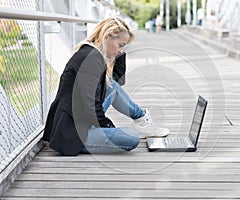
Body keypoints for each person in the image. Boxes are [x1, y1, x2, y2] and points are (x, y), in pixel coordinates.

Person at [43, 16, 169, 156]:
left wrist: (119, 52)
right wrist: (109, 128)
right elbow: (90, 105)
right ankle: (137, 124)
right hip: (72, 133)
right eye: (121, 45)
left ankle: (142, 120)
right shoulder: (90, 58)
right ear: (108, 37)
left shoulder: (94, 53)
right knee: (132, 137)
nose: (121, 50)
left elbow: (117, 80)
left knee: (112, 86)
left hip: (80, 119)